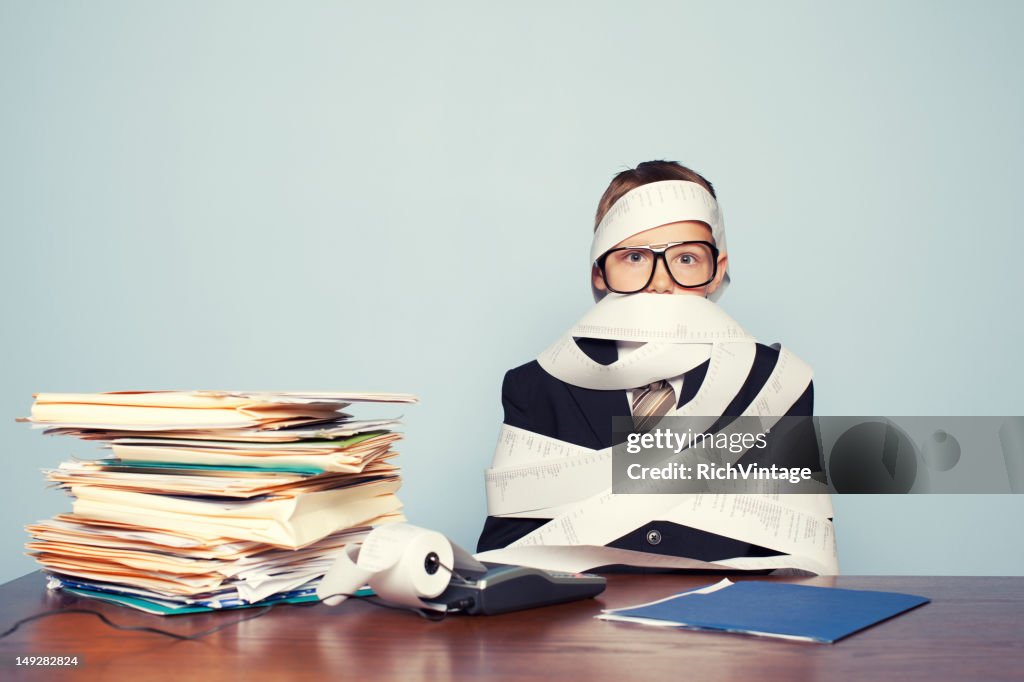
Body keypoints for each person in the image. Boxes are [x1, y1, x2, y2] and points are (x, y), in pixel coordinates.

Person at [476, 160, 822, 568]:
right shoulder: (538, 386)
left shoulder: (773, 383)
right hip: (583, 622)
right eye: (636, 256)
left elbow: (796, 550)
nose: (661, 282)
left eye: (687, 259)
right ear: (600, 272)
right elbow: (508, 552)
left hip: (726, 620)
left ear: (717, 271)